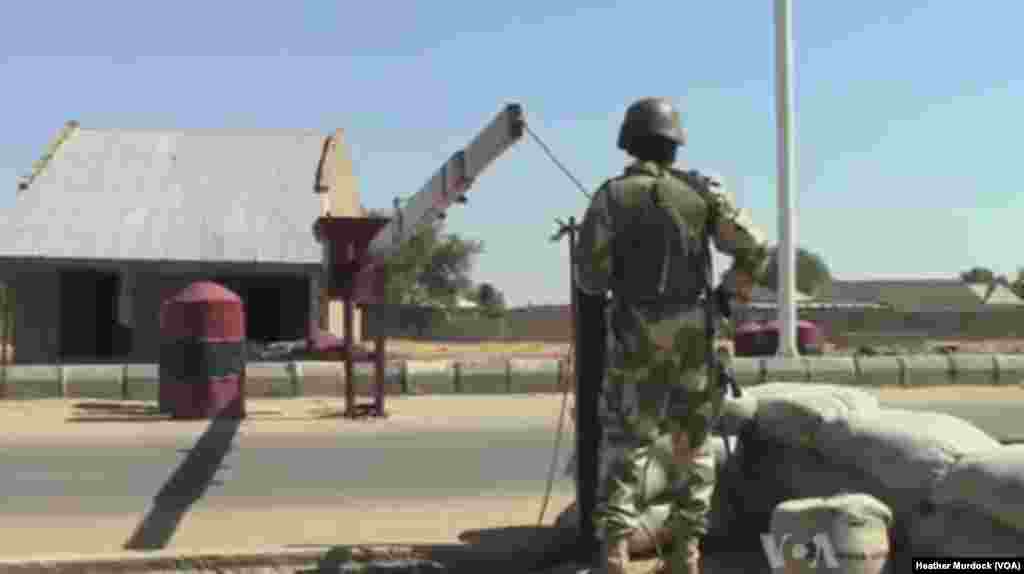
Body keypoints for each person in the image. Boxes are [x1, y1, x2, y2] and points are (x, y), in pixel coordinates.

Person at [574, 97, 770, 574]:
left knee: (625, 443)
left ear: (628, 142)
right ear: (675, 145)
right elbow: (755, 248)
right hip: (697, 337)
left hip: (635, 336)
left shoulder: (611, 196)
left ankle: (616, 553)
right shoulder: (700, 194)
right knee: (694, 446)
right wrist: (727, 297)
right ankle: (686, 554)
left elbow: (590, 281)